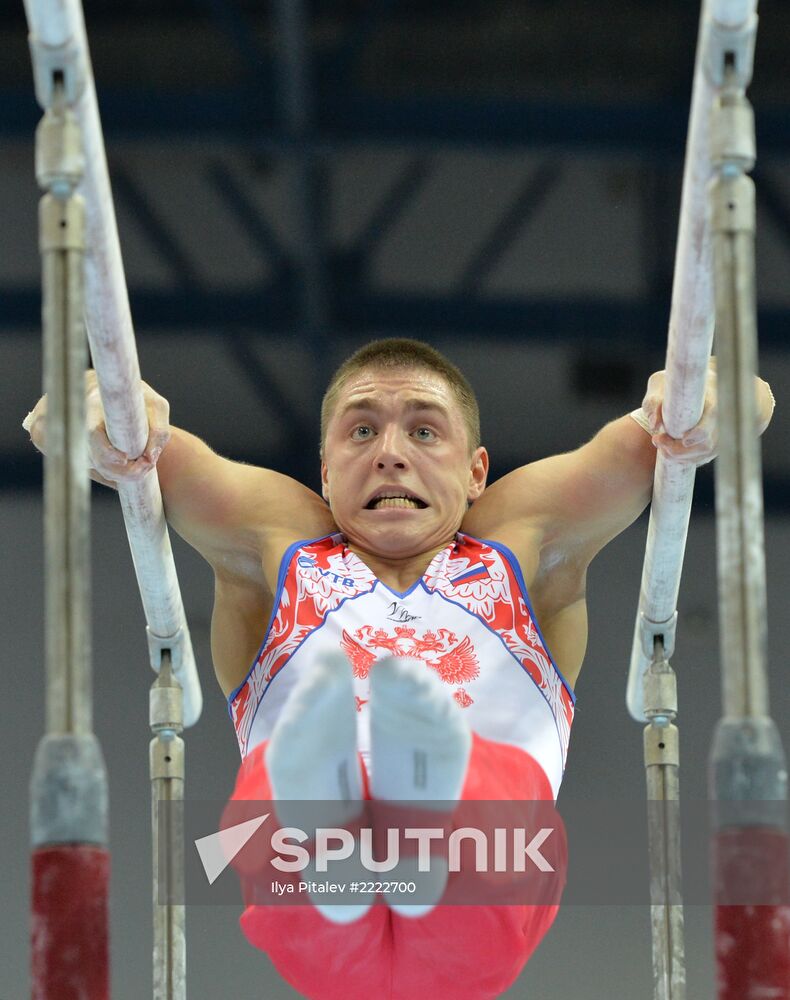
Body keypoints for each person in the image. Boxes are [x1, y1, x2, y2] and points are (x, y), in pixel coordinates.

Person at [24, 338, 775, 999]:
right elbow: (147, 447)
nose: (390, 451)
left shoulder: (521, 540)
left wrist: (701, 401)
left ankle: (404, 794)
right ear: (324, 469)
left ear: (478, 470)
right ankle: (350, 800)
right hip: (330, 873)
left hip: (483, 859)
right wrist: (108, 411)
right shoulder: (275, 537)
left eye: (423, 429)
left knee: (430, 852)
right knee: (293, 861)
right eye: (361, 430)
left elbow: (699, 416)